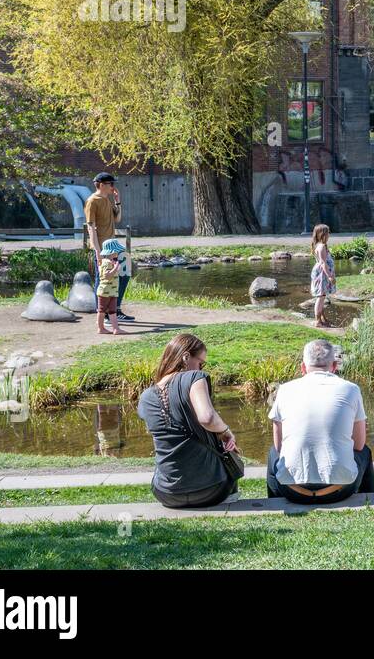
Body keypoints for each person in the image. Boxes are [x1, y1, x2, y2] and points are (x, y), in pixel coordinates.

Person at [137, 333, 242, 508]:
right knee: (227, 456)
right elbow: (207, 418)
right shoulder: (194, 377)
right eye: (201, 363)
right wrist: (226, 432)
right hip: (211, 490)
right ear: (186, 357)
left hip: (166, 494)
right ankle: (230, 496)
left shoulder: (145, 397)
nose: (201, 369)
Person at [266, 340, 374, 504]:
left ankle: (274, 501)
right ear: (335, 365)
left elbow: (279, 446)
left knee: (273, 453)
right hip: (339, 491)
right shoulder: (351, 389)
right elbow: (359, 445)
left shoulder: (285, 390)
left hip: (292, 491)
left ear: (303, 367)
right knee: (365, 452)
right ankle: (367, 499)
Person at [84, 172, 133, 321]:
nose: (113, 187)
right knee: (103, 279)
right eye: (111, 184)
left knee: (123, 274)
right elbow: (90, 228)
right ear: (102, 185)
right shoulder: (92, 201)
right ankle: (103, 313)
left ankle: (115, 309)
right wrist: (97, 251)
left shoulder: (107, 200)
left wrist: (118, 201)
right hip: (102, 248)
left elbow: (117, 219)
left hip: (113, 247)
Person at [310, 223, 336, 328]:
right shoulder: (321, 247)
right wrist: (330, 276)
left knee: (322, 296)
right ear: (322, 234)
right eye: (327, 232)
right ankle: (317, 321)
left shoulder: (321, 245)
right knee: (320, 297)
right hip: (322, 275)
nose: (329, 234)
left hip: (322, 274)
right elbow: (323, 263)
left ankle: (322, 319)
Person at [95, 243, 122, 336]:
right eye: (116, 251)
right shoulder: (106, 262)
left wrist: (116, 267)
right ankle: (100, 328)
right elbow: (107, 276)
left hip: (113, 291)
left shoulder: (110, 261)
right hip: (105, 291)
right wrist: (115, 267)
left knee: (112, 310)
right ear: (112, 252)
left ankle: (116, 329)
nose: (117, 253)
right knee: (101, 310)